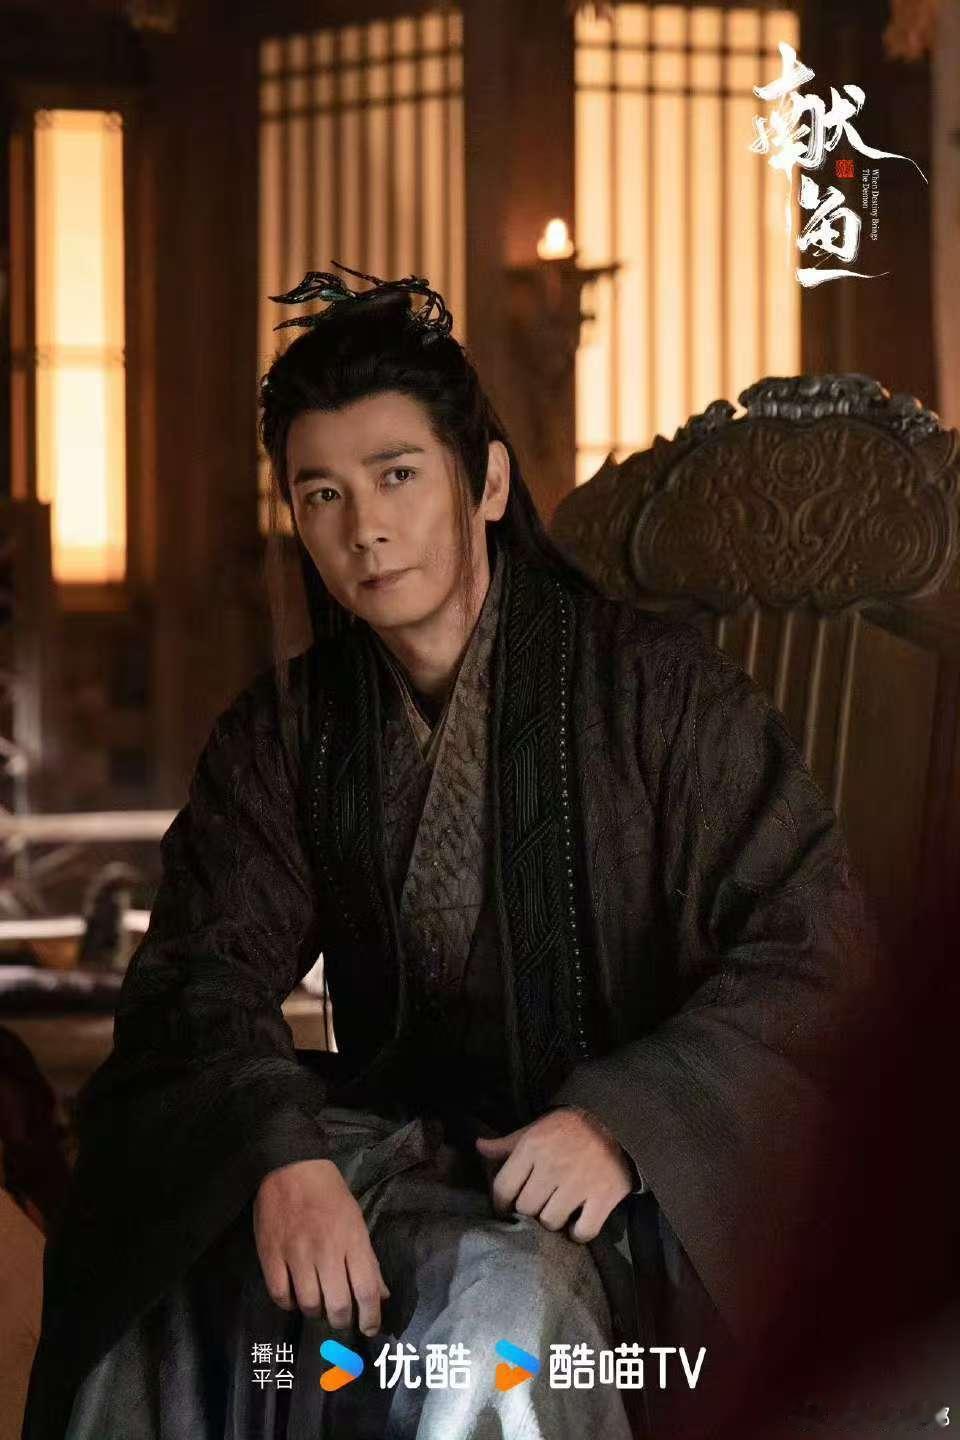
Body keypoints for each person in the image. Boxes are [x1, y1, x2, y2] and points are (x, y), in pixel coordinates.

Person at [21, 264, 883, 1440]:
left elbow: (818, 957)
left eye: (397, 475)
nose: (363, 528)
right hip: (399, 1165)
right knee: (161, 1277)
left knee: (498, 1328)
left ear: (486, 483)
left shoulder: (657, 697)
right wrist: (278, 1154)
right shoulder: (293, 731)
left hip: (619, 1195)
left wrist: (626, 1124)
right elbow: (197, 975)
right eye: (320, 494)